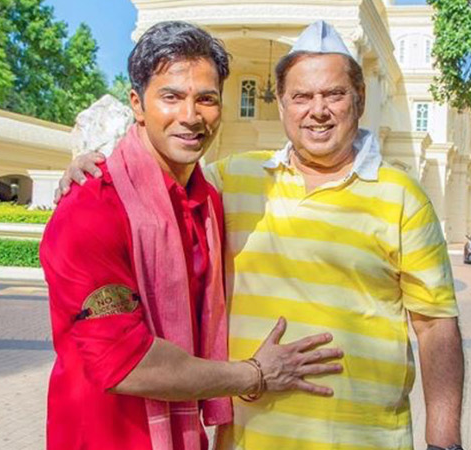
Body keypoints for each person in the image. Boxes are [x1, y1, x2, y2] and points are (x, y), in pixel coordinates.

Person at [58, 20, 465, 450]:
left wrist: (444, 442)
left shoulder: (402, 196)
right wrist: (95, 166)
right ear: (282, 105)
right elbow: (152, 181)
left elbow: (435, 326)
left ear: (359, 100)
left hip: (367, 440)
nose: (318, 110)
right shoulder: (232, 179)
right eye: (301, 97)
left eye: (334, 94)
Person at [41, 21, 343, 450]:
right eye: (171, 97)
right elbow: (125, 363)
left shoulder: (208, 200)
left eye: (206, 99)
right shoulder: (92, 209)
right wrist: (255, 373)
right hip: (102, 437)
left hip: (185, 437)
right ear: (137, 104)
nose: (190, 116)